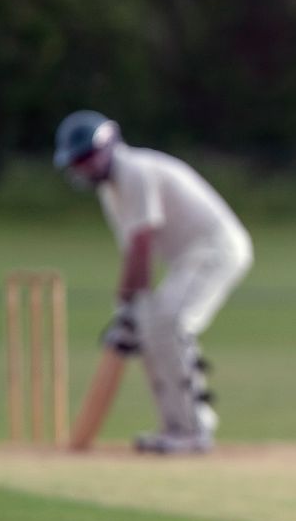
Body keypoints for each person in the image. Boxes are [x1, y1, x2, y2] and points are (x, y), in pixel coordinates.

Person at [53, 110, 253, 454]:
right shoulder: (112, 190)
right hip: (191, 257)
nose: (83, 168)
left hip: (215, 249)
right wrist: (131, 313)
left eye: (86, 158)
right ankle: (177, 427)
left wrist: (127, 309)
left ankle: (192, 430)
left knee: (168, 321)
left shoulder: (134, 171)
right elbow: (132, 251)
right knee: (152, 323)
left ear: (107, 148)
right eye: (77, 162)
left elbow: (142, 244)